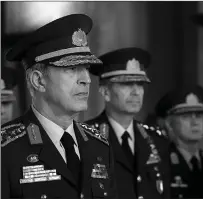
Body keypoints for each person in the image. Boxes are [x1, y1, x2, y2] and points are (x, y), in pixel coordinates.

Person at [1, 14, 117, 199]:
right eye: (71, 69)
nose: (86, 80)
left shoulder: (99, 146)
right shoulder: (6, 150)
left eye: (86, 68)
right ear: (38, 80)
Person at [86, 47, 170, 199]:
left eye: (140, 84)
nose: (136, 92)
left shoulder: (157, 141)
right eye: (126, 84)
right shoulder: (85, 139)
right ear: (105, 92)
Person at [155, 85, 203, 198]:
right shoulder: (159, 165)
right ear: (169, 123)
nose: (195, 122)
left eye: (199, 115)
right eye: (186, 116)